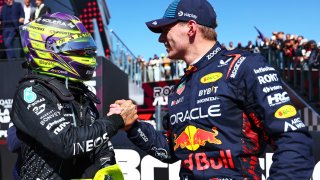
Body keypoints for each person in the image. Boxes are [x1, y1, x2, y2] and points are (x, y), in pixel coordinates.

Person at [112, 0, 315, 179]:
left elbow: (293, 140)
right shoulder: (179, 89)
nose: (161, 39)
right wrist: (133, 127)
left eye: (166, 30)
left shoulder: (243, 67)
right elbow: (171, 150)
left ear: (191, 28)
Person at [9, 12, 138, 179]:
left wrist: (105, 165)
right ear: (50, 50)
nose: (88, 56)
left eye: (87, 49)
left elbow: (99, 146)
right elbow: (67, 143)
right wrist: (116, 120)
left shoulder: (80, 93)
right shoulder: (31, 92)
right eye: (79, 49)